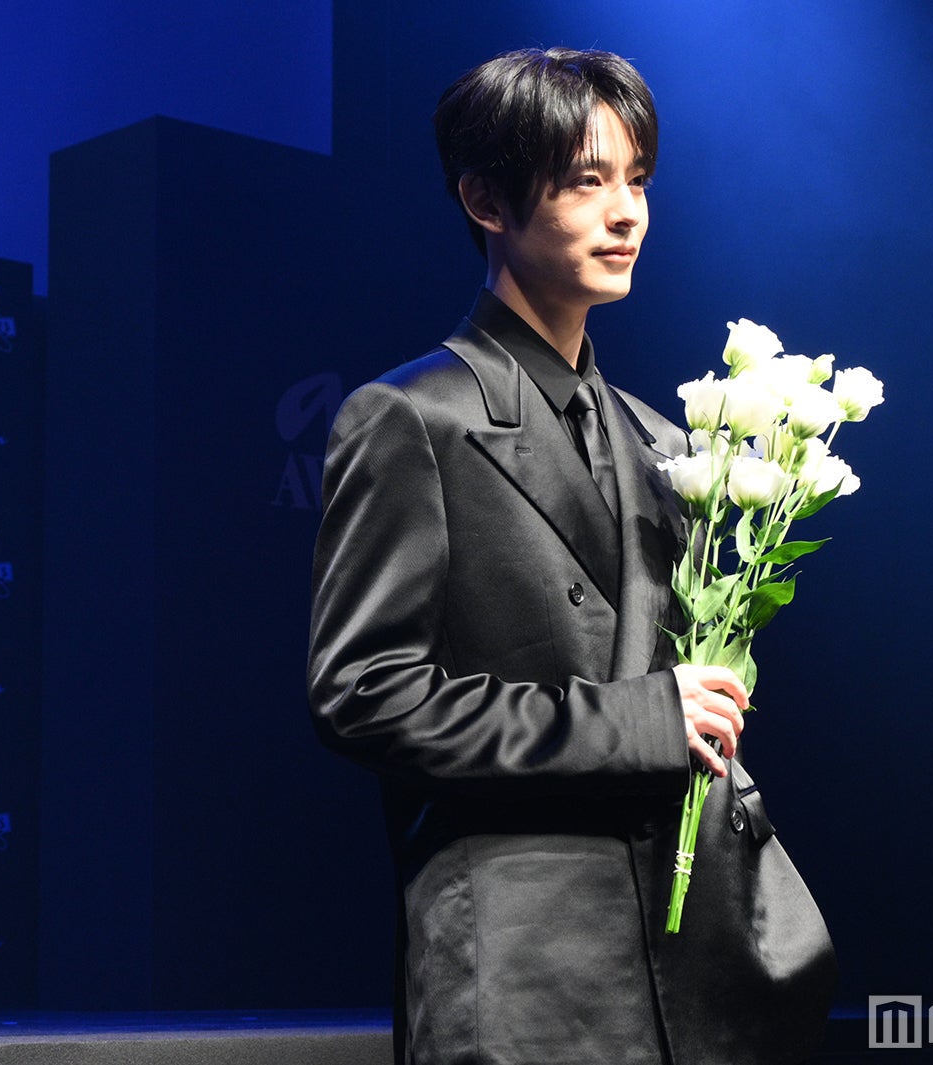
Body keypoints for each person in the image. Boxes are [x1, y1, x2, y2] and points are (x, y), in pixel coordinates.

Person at [308, 47, 835, 1065]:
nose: (627, 212)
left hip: (695, 969)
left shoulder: (668, 443)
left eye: (637, 179)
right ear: (485, 201)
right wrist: (640, 719)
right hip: (524, 969)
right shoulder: (412, 417)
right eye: (587, 180)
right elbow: (364, 693)